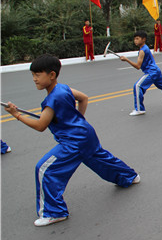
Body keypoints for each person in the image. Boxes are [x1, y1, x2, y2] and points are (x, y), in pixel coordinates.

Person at [3, 55, 140, 227]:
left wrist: (16, 115)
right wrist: (78, 120)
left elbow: (40, 125)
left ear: (51, 75)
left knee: (45, 169)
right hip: (86, 134)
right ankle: (129, 176)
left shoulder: (52, 99)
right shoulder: (63, 89)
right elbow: (83, 98)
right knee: (100, 159)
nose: (34, 79)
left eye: (38, 74)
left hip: (73, 141)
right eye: (33, 75)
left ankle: (54, 212)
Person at [120, 31, 162, 115]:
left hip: (151, 72)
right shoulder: (146, 47)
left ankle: (139, 109)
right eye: (134, 39)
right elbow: (152, 57)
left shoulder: (142, 51)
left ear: (143, 39)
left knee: (137, 86)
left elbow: (138, 66)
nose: (135, 41)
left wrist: (126, 60)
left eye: (137, 39)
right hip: (156, 70)